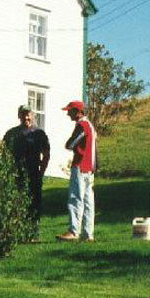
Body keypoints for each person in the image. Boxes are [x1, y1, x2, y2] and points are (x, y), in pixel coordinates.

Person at [4, 104, 50, 239]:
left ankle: (33, 233)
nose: (26, 117)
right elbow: (4, 153)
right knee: (15, 202)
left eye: (28, 114)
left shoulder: (39, 134)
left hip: (33, 173)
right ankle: (16, 232)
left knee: (34, 203)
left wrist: (41, 172)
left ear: (33, 116)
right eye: (23, 114)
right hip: (16, 173)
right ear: (19, 116)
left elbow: (46, 154)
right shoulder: (11, 133)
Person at [56, 100, 97, 242]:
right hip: (89, 168)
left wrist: (69, 144)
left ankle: (73, 232)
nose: (68, 114)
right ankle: (88, 234)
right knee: (88, 202)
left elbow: (71, 144)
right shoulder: (90, 125)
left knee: (75, 199)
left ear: (78, 112)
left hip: (80, 166)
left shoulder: (82, 125)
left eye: (70, 111)